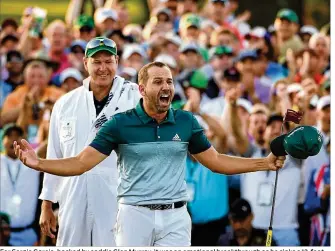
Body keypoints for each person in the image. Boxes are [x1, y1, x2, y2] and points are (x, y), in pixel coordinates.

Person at [14, 61, 285, 247]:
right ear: (141, 90)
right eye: (158, 82)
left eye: (168, 81)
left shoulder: (185, 121)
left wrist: (265, 162)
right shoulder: (119, 124)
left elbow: (215, 161)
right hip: (134, 216)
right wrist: (40, 163)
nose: (166, 87)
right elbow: (81, 162)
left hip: (176, 217)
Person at [38, 37, 141, 246]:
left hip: (119, 200)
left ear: (117, 62)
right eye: (96, 62)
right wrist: (47, 204)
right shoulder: (65, 103)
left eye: (108, 61)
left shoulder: (135, 98)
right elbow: (55, 155)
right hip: (73, 199)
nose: (103, 68)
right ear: (86, 63)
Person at [0, 124, 40, 246]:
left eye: (18, 136)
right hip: (2, 236)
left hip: (28, 235)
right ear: (2, 140)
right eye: (10, 136)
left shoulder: (34, 160)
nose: (14, 139)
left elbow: (50, 142)